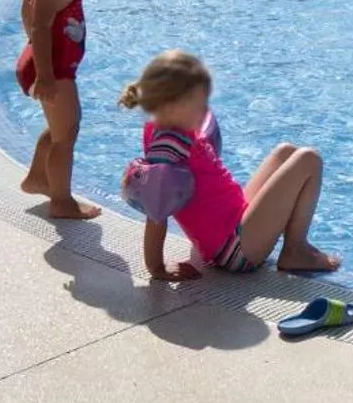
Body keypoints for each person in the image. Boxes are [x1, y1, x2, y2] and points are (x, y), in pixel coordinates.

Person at [120, 49, 341, 279]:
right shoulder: (169, 143)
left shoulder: (168, 130)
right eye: (199, 102)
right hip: (234, 249)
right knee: (309, 159)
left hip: (233, 224)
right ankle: (295, 249)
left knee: (285, 152)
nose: (206, 110)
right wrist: (157, 267)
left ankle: (294, 246)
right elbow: (157, 208)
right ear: (175, 104)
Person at [16, 0, 116, 220]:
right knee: (65, 136)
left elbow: (25, 12)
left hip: (47, 66)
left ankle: (37, 178)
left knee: (61, 127)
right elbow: (40, 26)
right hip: (53, 72)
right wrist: (45, 74)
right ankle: (61, 201)